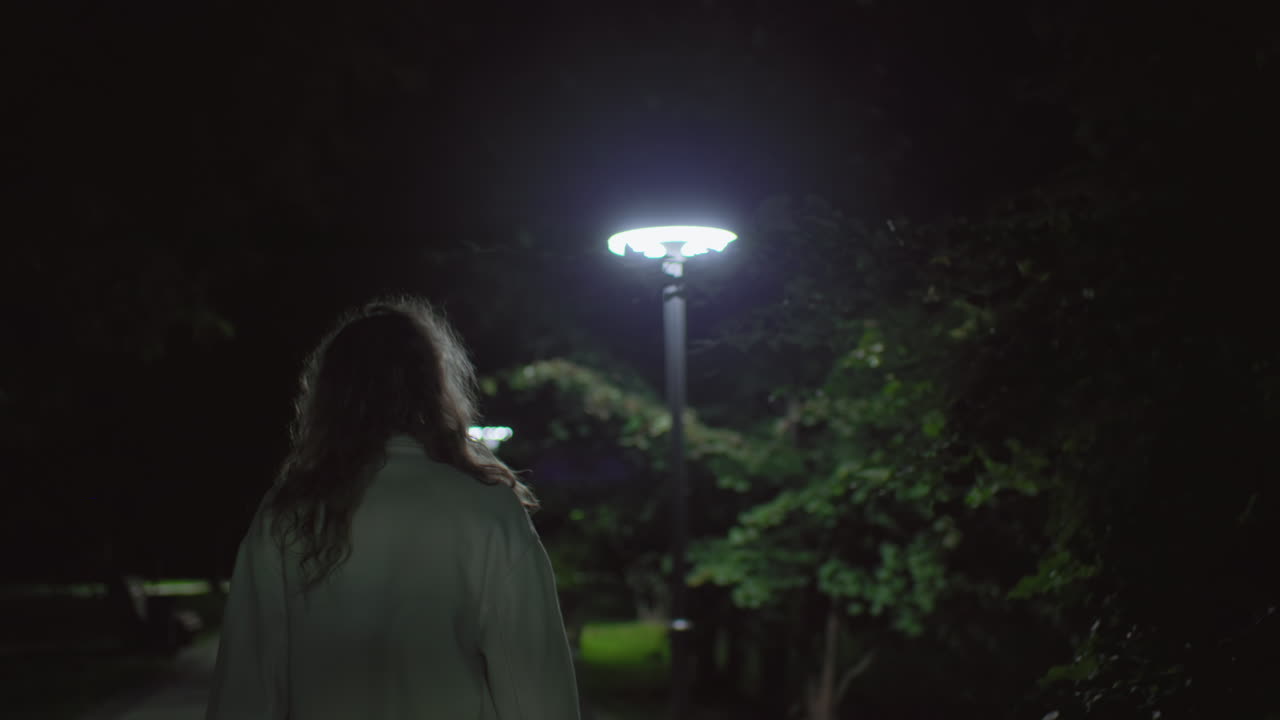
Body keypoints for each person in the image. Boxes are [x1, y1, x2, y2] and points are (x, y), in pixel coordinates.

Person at [206, 297, 580, 719]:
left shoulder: (291, 511)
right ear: (433, 387)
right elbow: (535, 684)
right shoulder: (486, 508)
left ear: (330, 395)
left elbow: (246, 686)